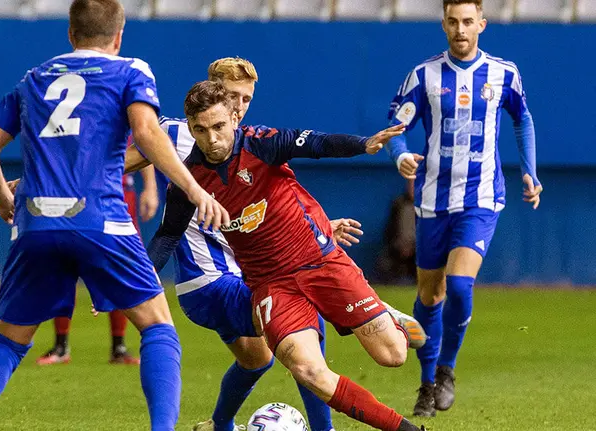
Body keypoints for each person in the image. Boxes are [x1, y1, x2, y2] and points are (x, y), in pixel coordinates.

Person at [0, 1, 227, 430]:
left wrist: (4, 200)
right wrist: (192, 187)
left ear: (70, 34)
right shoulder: (131, 70)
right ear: (118, 36)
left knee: (7, 343)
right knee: (157, 329)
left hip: (35, 223)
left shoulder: (33, 79)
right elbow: (148, 133)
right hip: (102, 220)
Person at [148, 80, 424, 431]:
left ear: (234, 119)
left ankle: (383, 313)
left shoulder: (262, 144)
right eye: (201, 130)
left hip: (321, 262)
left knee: (393, 355)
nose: (212, 139)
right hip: (271, 286)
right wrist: (135, 281)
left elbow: (316, 144)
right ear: (191, 128)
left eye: (219, 127)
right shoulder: (189, 181)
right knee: (308, 370)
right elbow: (168, 234)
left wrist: (363, 144)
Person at [126, 57, 367, 431]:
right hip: (209, 280)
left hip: (240, 274)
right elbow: (113, 163)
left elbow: (269, 209)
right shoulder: (176, 133)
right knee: (305, 314)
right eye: (233, 95)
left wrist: (316, 230)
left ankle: (219, 425)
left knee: (258, 358)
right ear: (213, 91)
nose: (240, 105)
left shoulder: (246, 143)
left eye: (247, 99)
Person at [384, 0, 542, 417]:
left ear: (482, 25)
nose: (460, 29)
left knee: (458, 286)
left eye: (468, 21)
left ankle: (447, 370)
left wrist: (530, 171)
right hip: (433, 201)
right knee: (428, 295)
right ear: (443, 24)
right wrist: (400, 154)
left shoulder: (504, 73)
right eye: (453, 21)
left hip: (481, 199)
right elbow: (398, 126)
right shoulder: (424, 75)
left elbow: (522, 119)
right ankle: (426, 383)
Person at [35, 169, 159, 366]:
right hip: (74, 192)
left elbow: (145, 142)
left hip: (118, 194)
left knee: (120, 267)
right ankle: (61, 345)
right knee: (63, 263)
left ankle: (119, 346)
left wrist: (151, 188)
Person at [375, 179, 416, 285]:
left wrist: (413, 246)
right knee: (384, 261)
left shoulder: (430, 208)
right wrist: (399, 245)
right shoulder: (398, 204)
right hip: (398, 248)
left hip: (420, 249)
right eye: (411, 184)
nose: (413, 188)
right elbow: (390, 229)